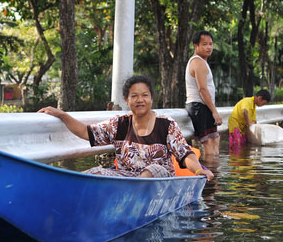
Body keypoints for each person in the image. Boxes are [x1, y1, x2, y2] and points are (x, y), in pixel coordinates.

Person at [38, 75, 214, 181]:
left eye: (144, 95)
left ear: (151, 98)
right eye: (134, 96)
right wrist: (63, 115)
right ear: (126, 100)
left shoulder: (166, 124)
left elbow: (185, 153)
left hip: (158, 180)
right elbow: (86, 132)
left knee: (152, 169)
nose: (140, 100)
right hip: (126, 179)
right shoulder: (119, 124)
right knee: (95, 172)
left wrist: (199, 170)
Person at [185, 30, 222, 158]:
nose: (209, 47)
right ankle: (211, 174)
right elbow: (202, 89)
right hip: (199, 106)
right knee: (209, 143)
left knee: (214, 140)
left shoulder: (202, 62)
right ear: (196, 46)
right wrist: (214, 111)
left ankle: (213, 171)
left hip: (203, 106)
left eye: (211, 44)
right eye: (205, 44)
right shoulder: (198, 62)